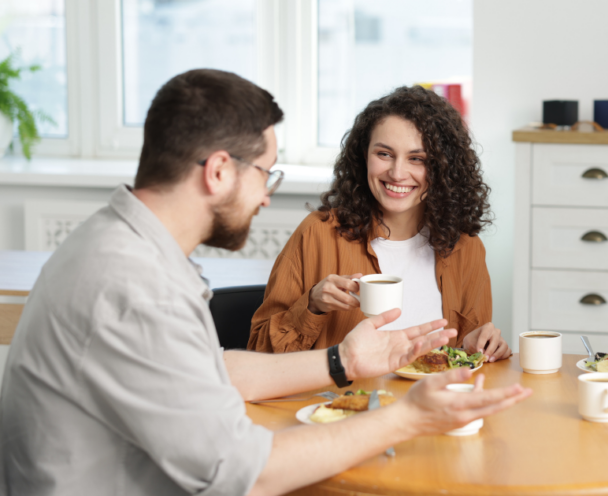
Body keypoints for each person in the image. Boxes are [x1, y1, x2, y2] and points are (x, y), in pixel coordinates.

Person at [0, 69, 532, 496]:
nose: (266, 197)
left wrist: (341, 362)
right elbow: (242, 473)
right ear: (218, 172)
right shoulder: (135, 285)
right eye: (265, 173)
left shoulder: (119, 244)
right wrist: (406, 420)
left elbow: (216, 371)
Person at [248, 85, 510, 361]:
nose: (397, 173)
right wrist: (312, 306)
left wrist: (483, 347)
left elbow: (469, 355)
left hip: (431, 401)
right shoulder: (316, 235)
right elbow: (259, 354)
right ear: (364, 156)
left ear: (443, 168)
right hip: (343, 402)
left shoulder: (465, 248)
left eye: (417, 159)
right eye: (384, 154)